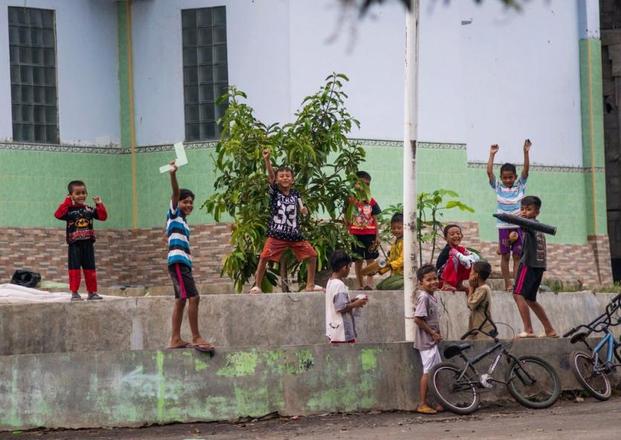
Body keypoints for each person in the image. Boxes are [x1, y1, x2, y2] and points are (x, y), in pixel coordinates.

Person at [250, 148, 321, 294]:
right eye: (281, 176)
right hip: (277, 233)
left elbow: (302, 208)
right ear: (277, 180)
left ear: (292, 179)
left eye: (288, 176)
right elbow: (270, 177)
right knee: (264, 257)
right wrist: (267, 160)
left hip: (294, 234)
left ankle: (310, 284)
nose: (285, 178)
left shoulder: (296, 193)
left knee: (313, 255)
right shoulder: (275, 192)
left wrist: (304, 210)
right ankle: (257, 285)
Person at [166, 161, 214, 352]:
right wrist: (173, 175)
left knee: (181, 299)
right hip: (177, 262)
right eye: (185, 201)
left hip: (181, 263)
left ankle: (175, 338)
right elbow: (175, 192)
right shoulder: (174, 215)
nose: (188, 205)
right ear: (177, 203)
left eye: (190, 202)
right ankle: (196, 336)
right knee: (194, 297)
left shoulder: (184, 223)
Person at [487, 140, 531, 291]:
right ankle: (507, 283)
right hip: (503, 225)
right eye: (504, 178)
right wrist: (492, 155)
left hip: (518, 225)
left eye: (510, 177)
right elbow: (489, 173)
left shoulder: (520, 186)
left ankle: (517, 283)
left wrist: (526, 152)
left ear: (514, 177)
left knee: (517, 256)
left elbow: (526, 171)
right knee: (505, 256)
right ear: (501, 177)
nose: (507, 180)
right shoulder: (498, 186)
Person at [54, 180, 108, 301]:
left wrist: (99, 204)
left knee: (90, 269)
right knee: (74, 270)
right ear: (71, 195)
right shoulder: (69, 210)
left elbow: (103, 217)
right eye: (77, 193)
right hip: (74, 245)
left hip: (88, 244)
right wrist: (67, 202)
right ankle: (74, 293)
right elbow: (57, 214)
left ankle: (92, 292)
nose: (81, 195)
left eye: (83, 193)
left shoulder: (89, 209)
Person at [513, 196, 558, 338]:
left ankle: (528, 329)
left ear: (537, 212)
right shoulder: (536, 225)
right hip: (539, 266)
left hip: (529, 264)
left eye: (528, 209)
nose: (524, 212)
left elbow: (520, 223)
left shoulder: (530, 224)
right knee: (530, 299)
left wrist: (517, 217)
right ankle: (549, 330)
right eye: (522, 209)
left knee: (517, 294)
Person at [414, 264, 444, 414]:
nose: (433, 282)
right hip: (427, 342)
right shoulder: (424, 297)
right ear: (421, 283)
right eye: (428, 280)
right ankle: (422, 403)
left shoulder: (432, 296)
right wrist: (432, 333)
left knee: (436, 371)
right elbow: (418, 319)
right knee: (428, 372)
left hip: (432, 341)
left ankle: (438, 402)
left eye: (435, 278)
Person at [347, 171, 382, 290]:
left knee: (370, 259)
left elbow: (375, 218)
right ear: (354, 184)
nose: (364, 187)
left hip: (370, 234)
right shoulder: (350, 200)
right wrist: (348, 231)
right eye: (361, 183)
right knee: (358, 260)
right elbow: (346, 216)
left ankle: (369, 284)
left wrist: (377, 235)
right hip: (355, 235)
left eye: (367, 184)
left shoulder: (371, 201)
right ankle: (360, 284)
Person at [325, 250, 369, 343]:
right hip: (342, 333)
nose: (349, 269)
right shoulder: (339, 285)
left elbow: (336, 302)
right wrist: (356, 304)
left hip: (334, 330)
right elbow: (341, 307)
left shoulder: (331, 282)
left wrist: (352, 301)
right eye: (349, 266)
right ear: (344, 267)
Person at [435, 224, 479, 292]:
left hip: (454, 279)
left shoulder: (461, 249)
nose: (456, 236)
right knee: (455, 257)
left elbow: (475, 257)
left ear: (462, 236)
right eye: (452, 234)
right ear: (446, 238)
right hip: (441, 278)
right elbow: (457, 255)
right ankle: (446, 284)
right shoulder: (448, 249)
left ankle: (459, 284)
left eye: (458, 233)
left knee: (467, 259)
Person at [466, 261, 495, 340]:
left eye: (471, 271)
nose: (470, 274)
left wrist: (471, 288)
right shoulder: (481, 289)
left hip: (482, 328)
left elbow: (470, 305)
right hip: (478, 326)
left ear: (476, 275)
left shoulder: (483, 289)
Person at [376, 212, 404, 290]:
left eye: (399, 228)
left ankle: (407, 285)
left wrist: (390, 265)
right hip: (396, 275)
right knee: (379, 287)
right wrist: (379, 270)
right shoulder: (395, 242)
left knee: (385, 286)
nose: (396, 230)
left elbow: (403, 260)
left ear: (405, 227)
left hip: (403, 275)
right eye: (393, 228)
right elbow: (390, 260)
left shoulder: (405, 242)